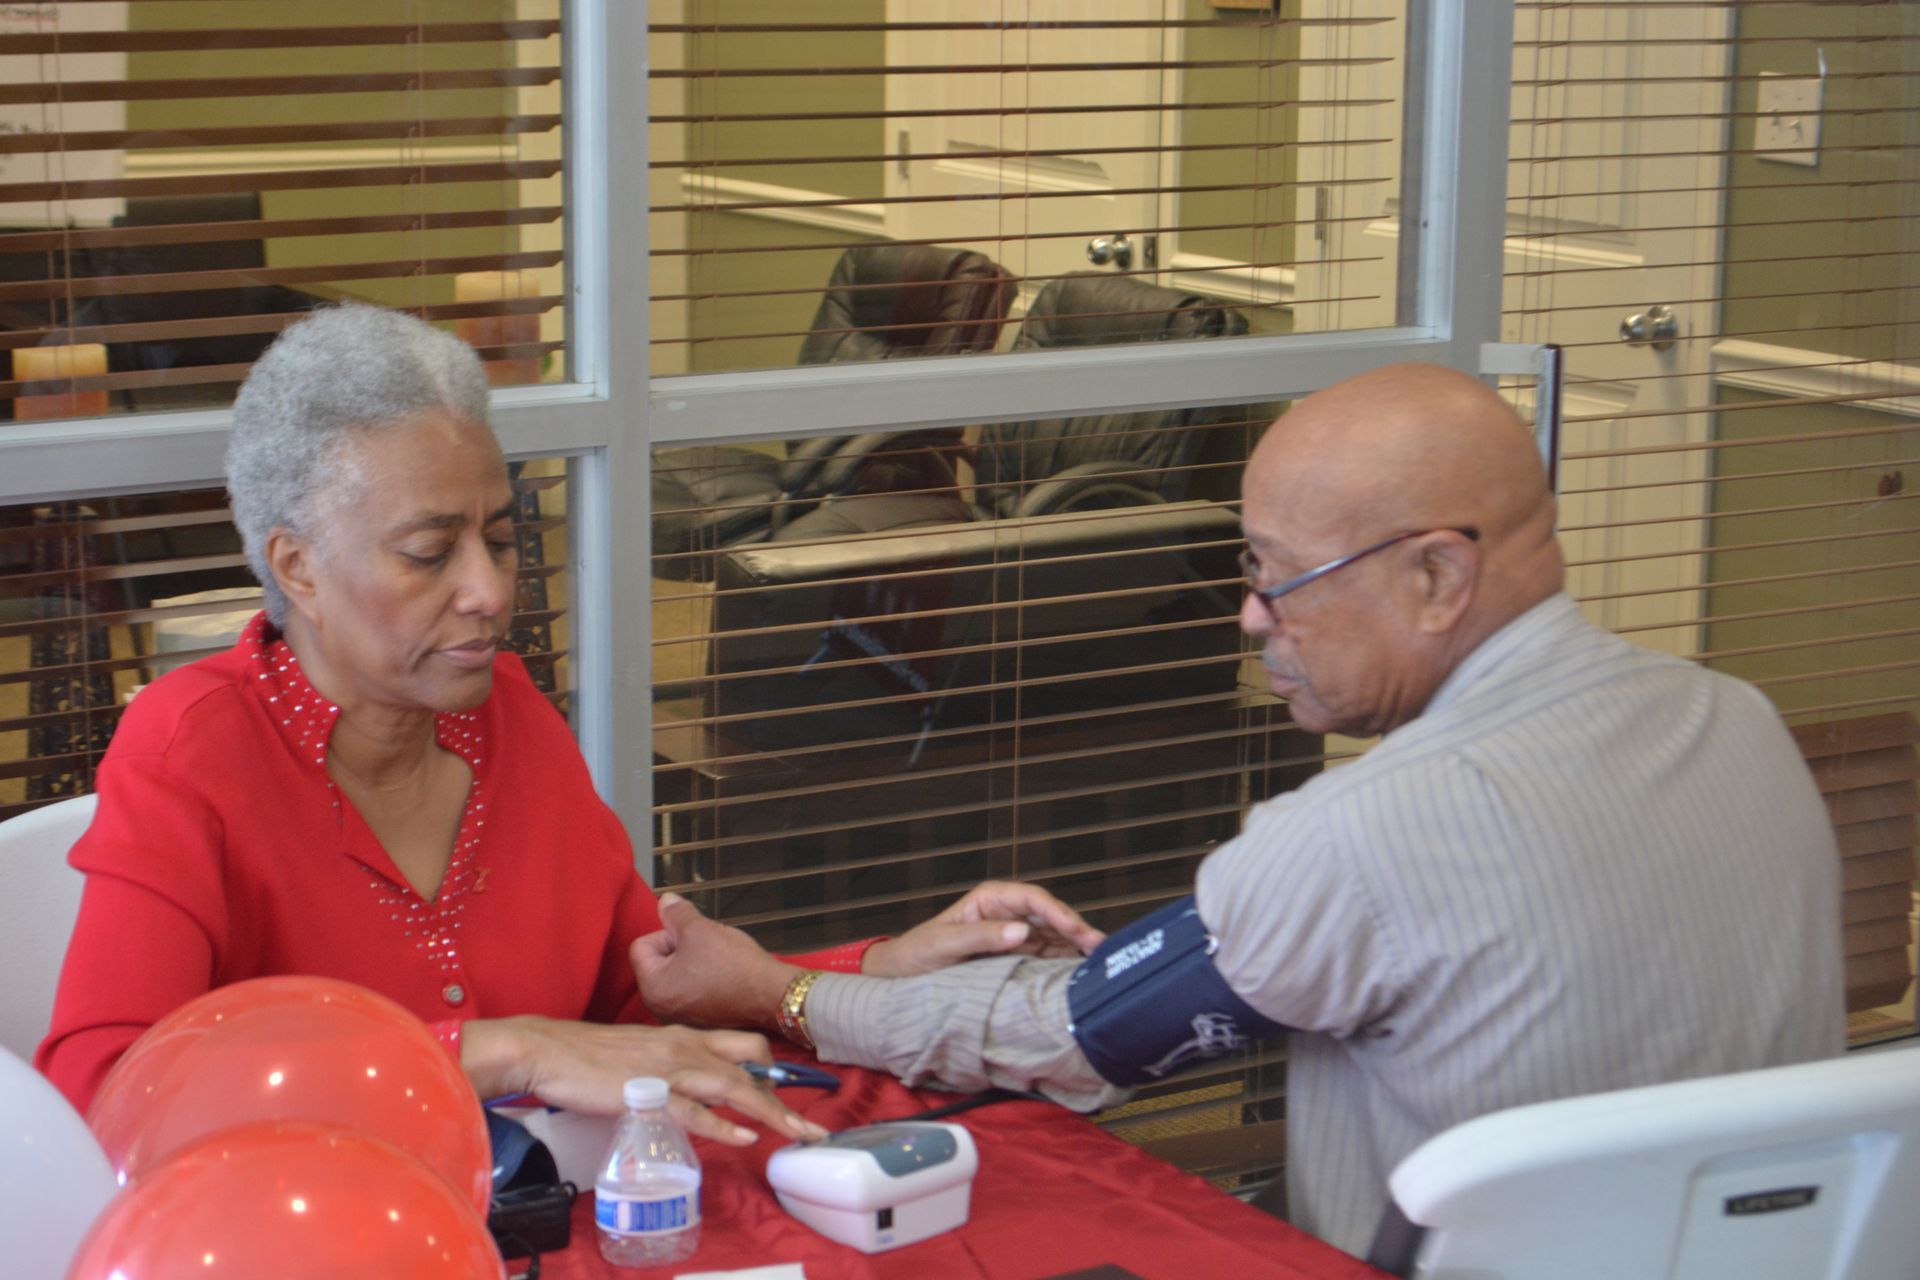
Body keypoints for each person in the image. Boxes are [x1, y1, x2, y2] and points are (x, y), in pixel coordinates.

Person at [632, 362, 1845, 1254]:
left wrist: (775, 988)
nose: (1252, 614)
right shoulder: (1737, 717)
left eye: (1277, 573)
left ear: (1437, 575)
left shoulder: (1362, 835)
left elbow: (1061, 1037)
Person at [35, 303, 1097, 1146]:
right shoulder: (191, 746)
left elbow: (653, 1002)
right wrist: (509, 1050)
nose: (490, 591)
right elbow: (108, 1089)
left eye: (499, 539)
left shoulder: (511, 717)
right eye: (430, 553)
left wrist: (880, 972)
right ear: (297, 567)